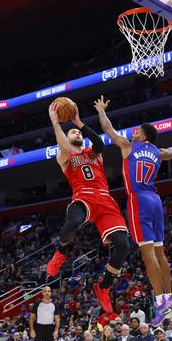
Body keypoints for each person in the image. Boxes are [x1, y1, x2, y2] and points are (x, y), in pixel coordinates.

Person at [95, 95, 172, 326]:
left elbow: (108, 130)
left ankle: (161, 303)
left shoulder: (128, 146)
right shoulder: (158, 152)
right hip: (155, 200)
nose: (133, 132)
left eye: (137, 130)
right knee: (160, 253)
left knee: (147, 253)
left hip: (138, 199)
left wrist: (101, 110)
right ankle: (170, 300)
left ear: (143, 135)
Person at [44, 101, 130, 314]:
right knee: (73, 222)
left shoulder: (93, 152)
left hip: (105, 200)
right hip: (83, 198)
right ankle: (61, 252)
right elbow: (63, 144)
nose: (76, 134)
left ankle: (103, 287)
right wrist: (55, 122)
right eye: (72, 132)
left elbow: (100, 143)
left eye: (77, 132)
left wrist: (79, 122)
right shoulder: (64, 155)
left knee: (123, 246)